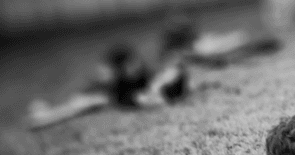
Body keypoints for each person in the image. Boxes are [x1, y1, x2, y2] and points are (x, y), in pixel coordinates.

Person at [27, 41, 188, 130]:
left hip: (117, 94)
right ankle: (45, 113)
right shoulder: (136, 79)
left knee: (83, 102)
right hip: (116, 91)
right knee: (82, 101)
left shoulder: (143, 86)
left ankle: (45, 114)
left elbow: (142, 96)